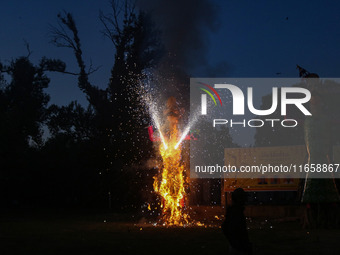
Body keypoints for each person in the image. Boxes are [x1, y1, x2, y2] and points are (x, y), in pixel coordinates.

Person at [222, 188, 252, 255]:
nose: (245, 200)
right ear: (240, 199)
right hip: (238, 248)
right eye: (244, 198)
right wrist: (237, 244)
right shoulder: (236, 212)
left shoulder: (235, 211)